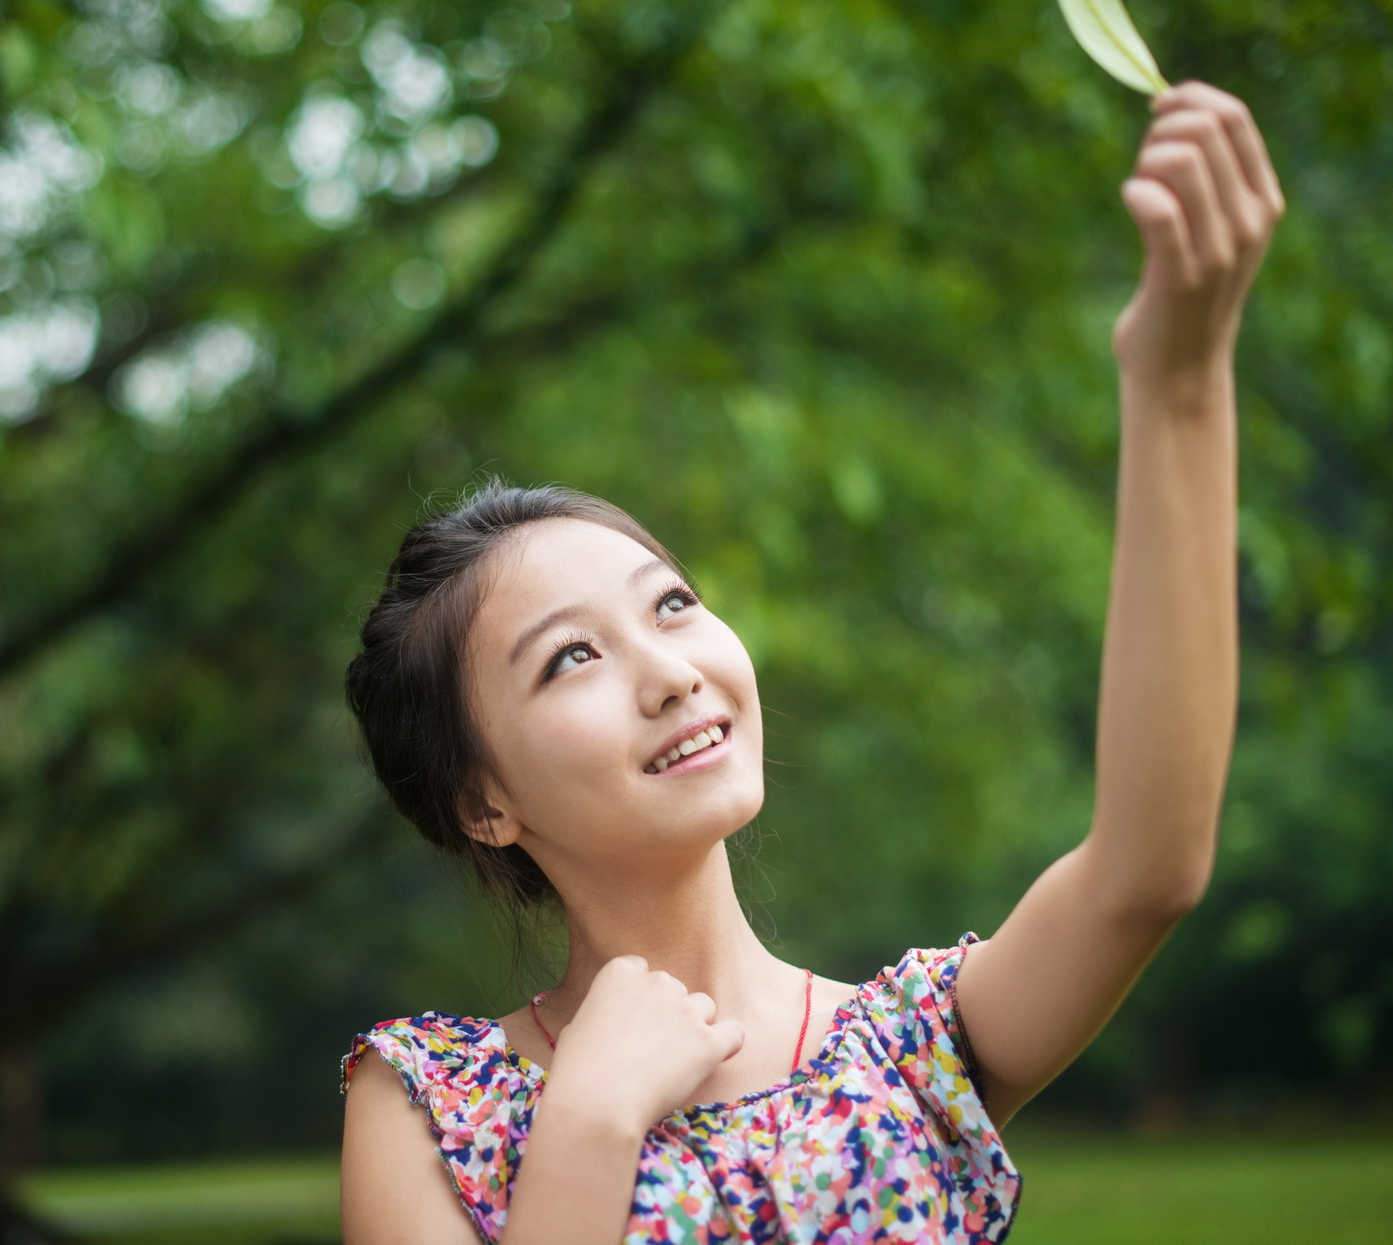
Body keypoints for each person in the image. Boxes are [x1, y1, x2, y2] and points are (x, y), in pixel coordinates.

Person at [337, 78, 1286, 1244]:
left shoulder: (912, 1047)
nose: (671, 669)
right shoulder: (424, 1105)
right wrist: (588, 1118)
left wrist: (1178, 383)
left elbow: (1148, 866)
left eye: (672, 603)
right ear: (480, 799)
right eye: (570, 655)